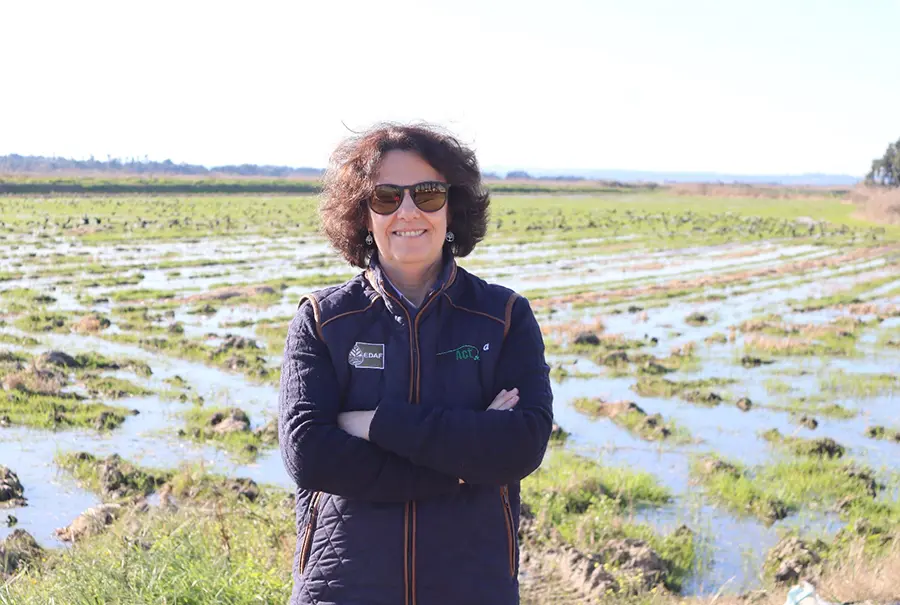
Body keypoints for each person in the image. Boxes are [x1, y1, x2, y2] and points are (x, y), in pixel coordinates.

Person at [278, 123, 554, 605]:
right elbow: (308, 452)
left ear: (453, 207)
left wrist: (377, 423)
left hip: (473, 585)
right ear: (363, 215)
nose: (407, 211)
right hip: (343, 587)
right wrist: (461, 465)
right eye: (386, 197)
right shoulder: (324, 320)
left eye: (427, 194)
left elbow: (520, 446)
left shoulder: (503, 317)